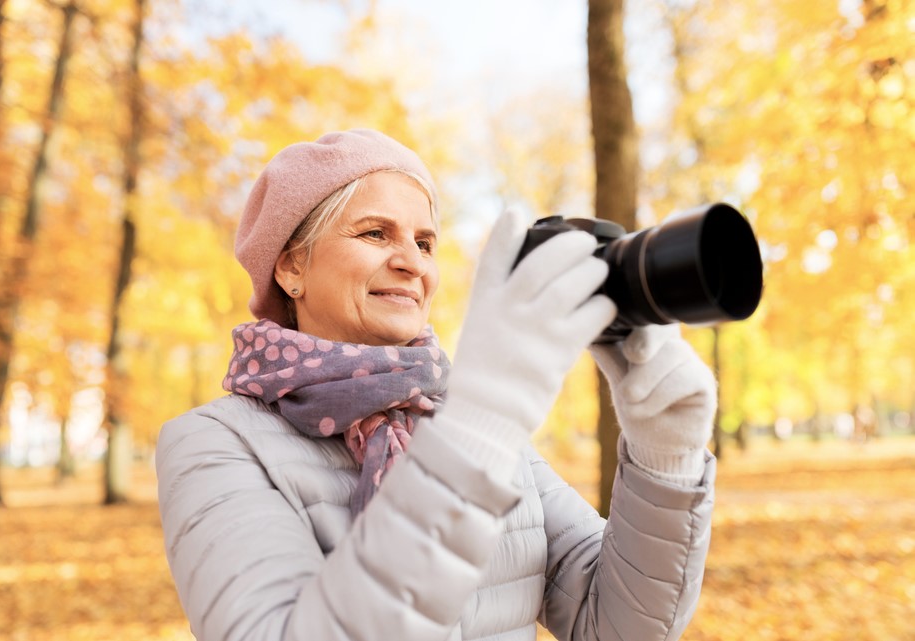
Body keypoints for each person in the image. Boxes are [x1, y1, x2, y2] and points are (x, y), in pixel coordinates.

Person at [156, 129, 717, 641]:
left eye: (425, 243)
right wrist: (477, 429)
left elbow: (616, 627)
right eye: (375, 233)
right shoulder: (214, 444)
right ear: (290, 268)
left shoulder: (475, 422)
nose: (412, 263)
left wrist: (665, 457)